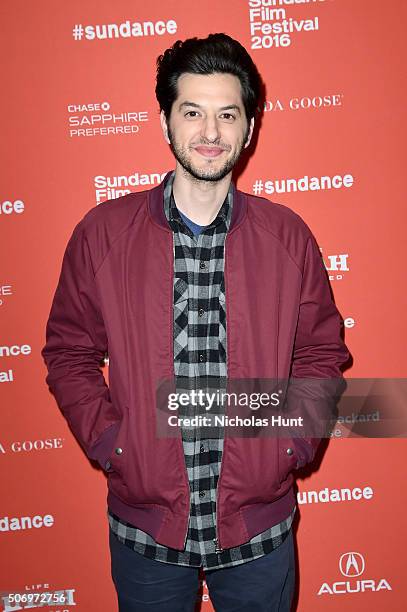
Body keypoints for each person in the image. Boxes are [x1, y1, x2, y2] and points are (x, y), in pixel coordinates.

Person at [42, 33, 349, 611]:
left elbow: (320, 353)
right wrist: (114, 442)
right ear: (165, 122)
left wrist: (292, 442)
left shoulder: (288, 237)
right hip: (148, 536)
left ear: (249, 128)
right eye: (193, 112)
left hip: (258, 533)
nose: (210, 133)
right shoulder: (102, 235)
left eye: (227, 114)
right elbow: (69, 353)